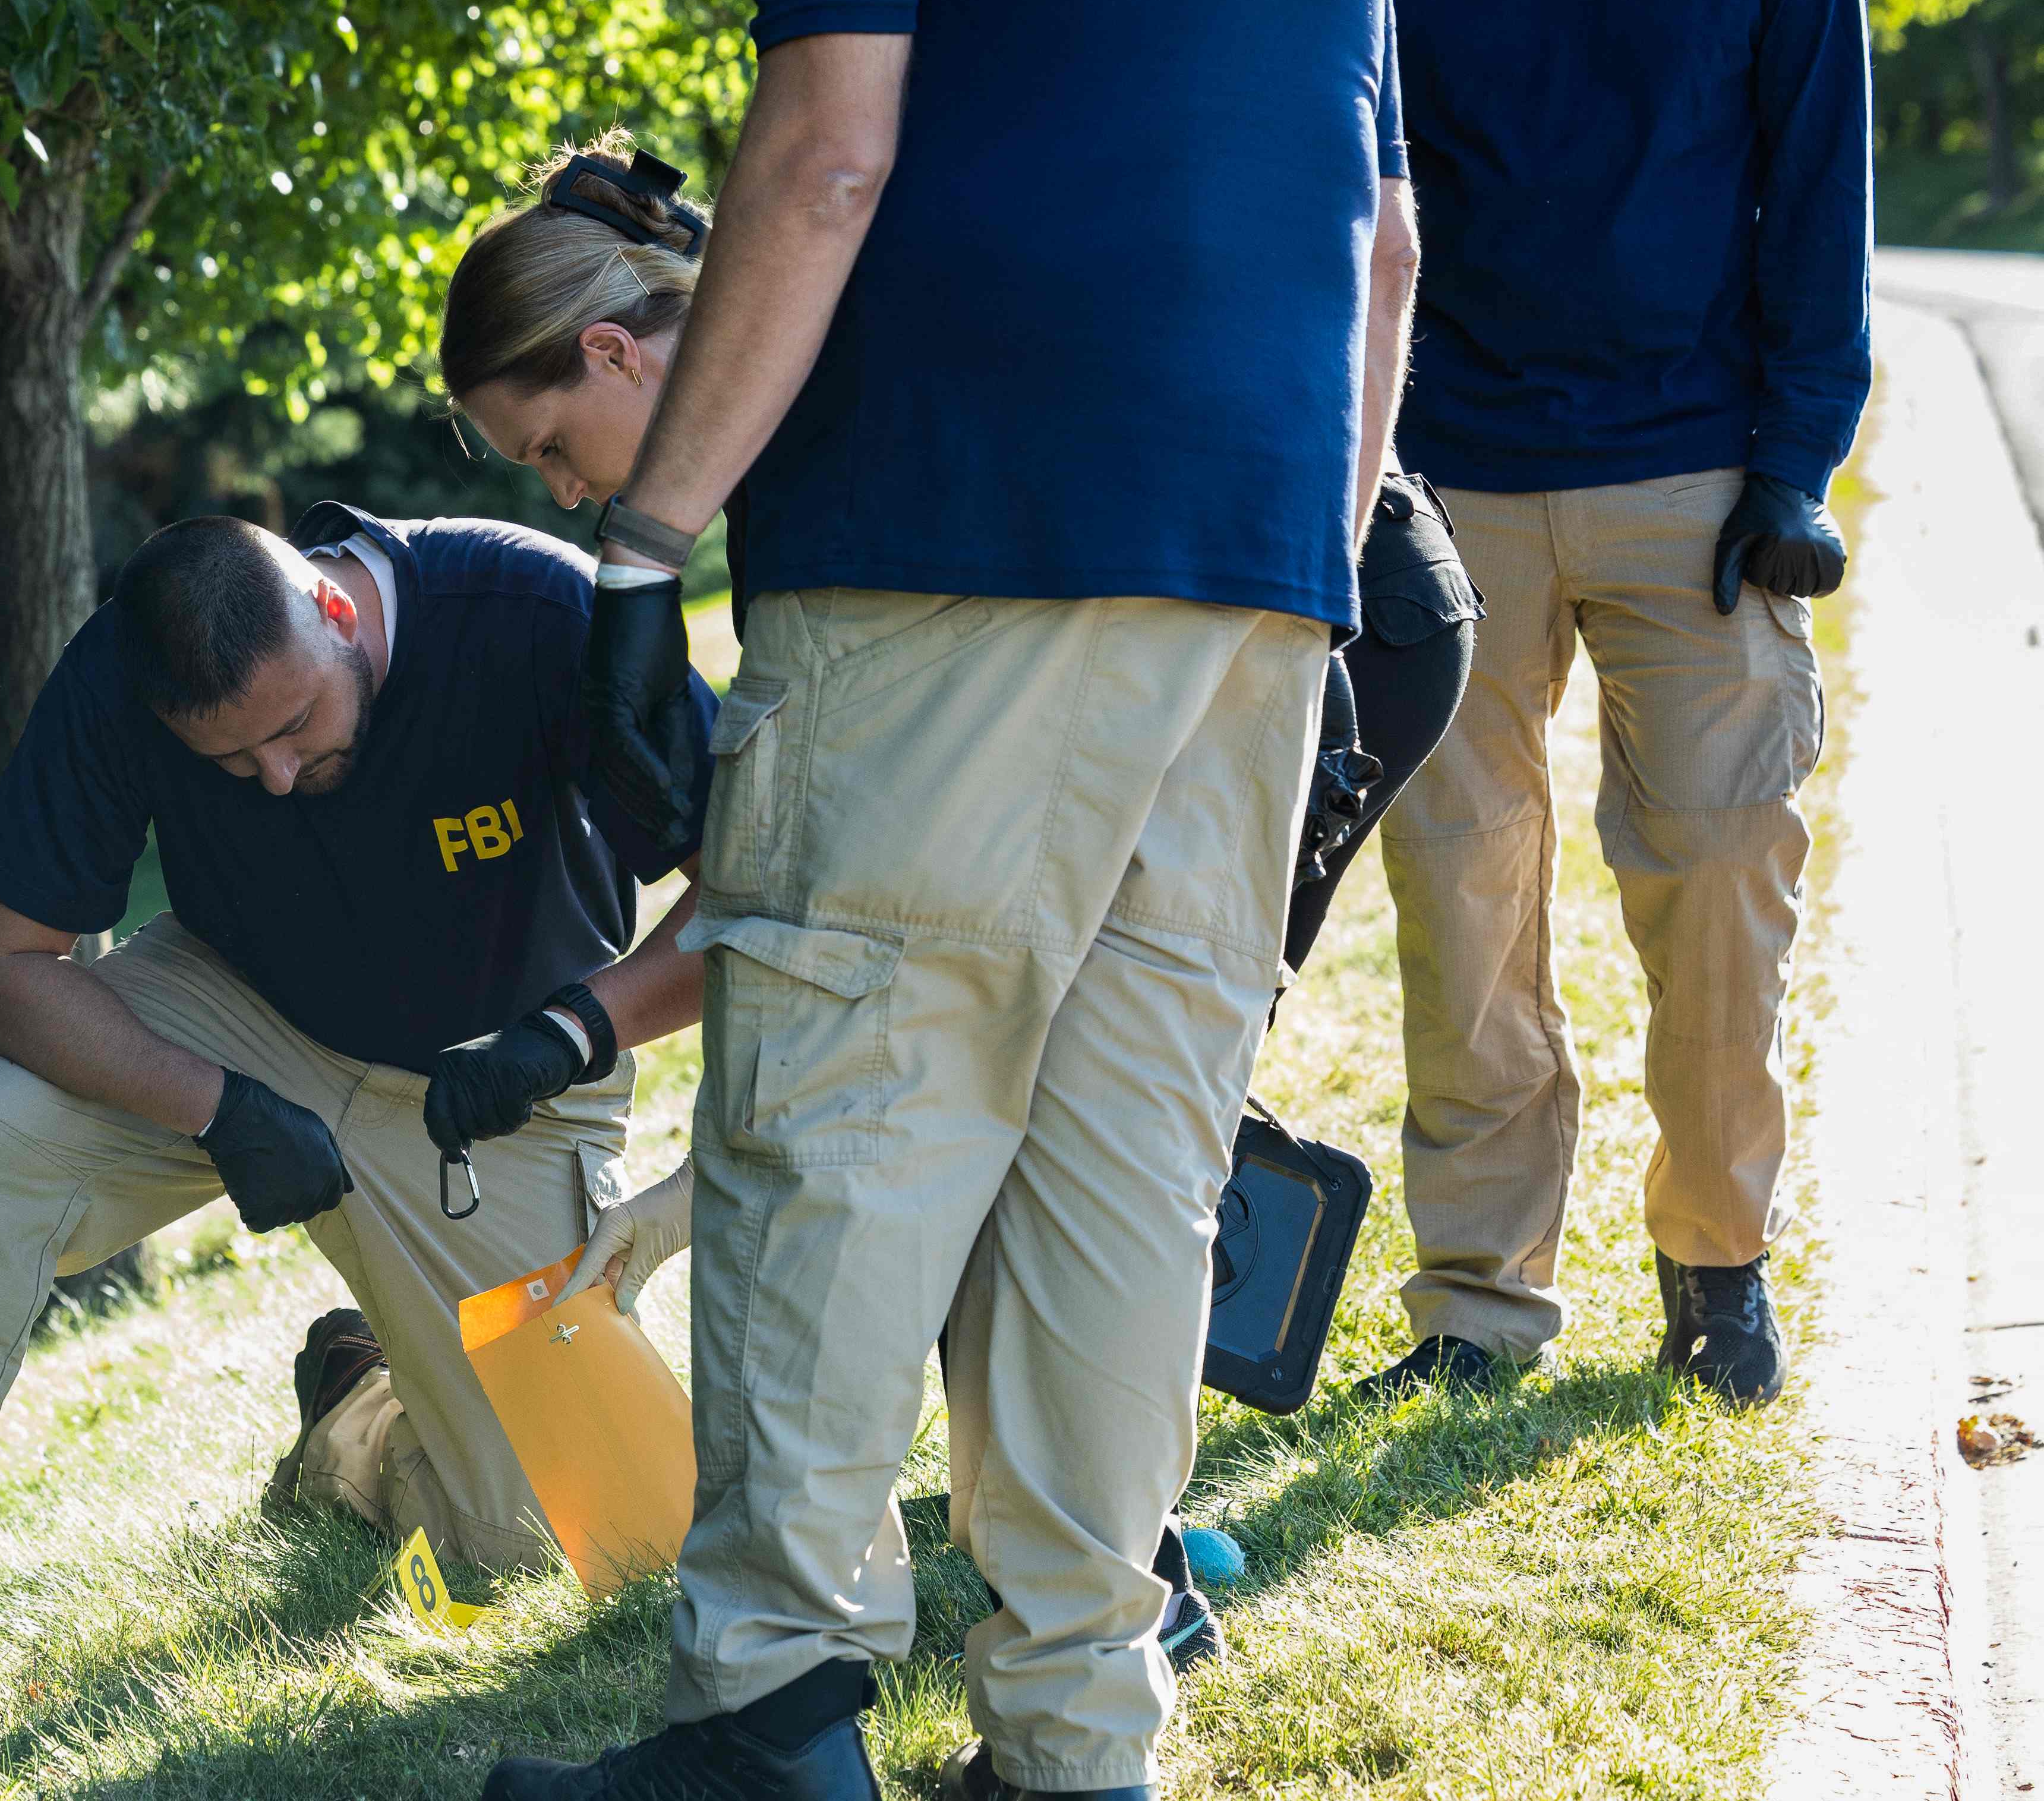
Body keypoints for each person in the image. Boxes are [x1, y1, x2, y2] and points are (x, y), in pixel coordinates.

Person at [480, 0, 1415, 1801]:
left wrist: (646, 543)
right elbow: (1383, 240)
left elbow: (820, 162)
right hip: (1262, 567)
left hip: (956, 543)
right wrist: (1324, 573)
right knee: (1124, 1166)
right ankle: (1084, 1741)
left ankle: (774, 1720)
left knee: (844, 1112)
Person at [444, 146, 1477, 1673]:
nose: (572, 492)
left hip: (1321, 608)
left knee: (1087, 1089)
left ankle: (1123, 1566)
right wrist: (586, 1030)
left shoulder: (827, 377)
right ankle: (1099, 1563)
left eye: (550, 446)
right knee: (1021, 1061)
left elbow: (867, 867)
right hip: (1187, 589)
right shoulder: (765, 413)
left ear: (614, 350)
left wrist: (609, 1056)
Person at [0, 507, 717, 1709]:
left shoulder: (538, 612)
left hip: (499, 1076)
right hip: (231, 1012)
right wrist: (215, 1105)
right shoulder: (123, 665)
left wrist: (571, 1031)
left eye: (295, 724)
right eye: (229, 759)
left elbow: (753, 890)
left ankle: (361, 1418)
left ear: (339, 610)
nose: (271, 774)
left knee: (587, 1546)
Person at [1364, 0, 1864, 1409]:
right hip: (1455, 473)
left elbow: (1817, 184)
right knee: (1464, 891)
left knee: (1723, 874)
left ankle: (1716, 1262)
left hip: (1695, 472)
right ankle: (1479, 1298)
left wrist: (1797, 470)